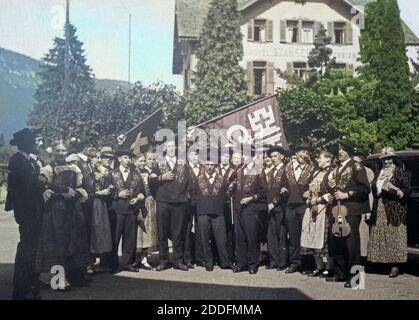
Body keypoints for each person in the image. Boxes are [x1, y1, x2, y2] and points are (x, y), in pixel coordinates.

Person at [36, 141, 90, 290]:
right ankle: (58, 280)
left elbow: (80, 187)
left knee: (74, 241)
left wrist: (75, 193)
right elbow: (43, 186)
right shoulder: (48, 168)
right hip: (56, 211)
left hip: (73, 210)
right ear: (53, 152)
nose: (61, 153)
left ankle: (74, 276)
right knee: (58, 242)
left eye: (63, 150)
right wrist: (61, 193)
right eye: (58, 150)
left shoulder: (75, 167)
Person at [324, 140, 370, 288]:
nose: (340, 152)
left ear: (349, 151)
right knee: (337, 241)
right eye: (339, 150)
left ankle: (356, 278)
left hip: (351, 209)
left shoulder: (357, 166)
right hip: (336, 210)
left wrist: (347, 195)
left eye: (343, 149)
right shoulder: (336, 168)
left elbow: (364, 189)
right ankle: (340, 273)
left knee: (351, 244)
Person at [5, 128, 44, 300]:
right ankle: (21, 289)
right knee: (26, 250)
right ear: (25, 144)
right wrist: (41, 182)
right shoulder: (17, 161)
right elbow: (26, 187)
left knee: (31, 249)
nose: (35, 144)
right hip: (27, 213)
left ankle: (28, 283)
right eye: (33, 141)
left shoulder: (28, 161)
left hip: (34, 211)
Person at [367, 147, 411, 278]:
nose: (386, 162)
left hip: (395, 208)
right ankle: (381, 262)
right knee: (381, 233)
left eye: (389, 159)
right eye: (384, 159)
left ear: (394, 159)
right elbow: (374, 190)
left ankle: (395, 265)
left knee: (395, 235)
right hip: (379, 206)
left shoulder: (400, 173)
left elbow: (407, 191)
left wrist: (391, 190)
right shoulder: (378, 172)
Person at [150, 139, 192, 271]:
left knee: (177, 233)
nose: (171, 148)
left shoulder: (183, 163)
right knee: (162, 232)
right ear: (165, 149)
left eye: (173, 146)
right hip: (163, 202)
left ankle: (178, 261)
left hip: (179, 203)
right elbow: (150, 181)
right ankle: (163, 261)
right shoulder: (159, 164)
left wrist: (186, 196)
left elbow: (189, 182)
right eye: (169, 146)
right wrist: (161, 178)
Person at [192, 159, 233, 271]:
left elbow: (226, 196)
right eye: (207, 164)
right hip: (203, 212)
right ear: (203, 165)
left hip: (218, 212)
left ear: (215, 165)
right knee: (204, 239)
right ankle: (208, 263)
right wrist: (201, 206)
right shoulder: (197, 179)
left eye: (212, 165)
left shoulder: (222, 179)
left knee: (221, 238)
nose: (209, 167)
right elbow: (194, 195)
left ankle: (224, 262)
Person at [109, 149, 145, 272]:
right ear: (119, 159)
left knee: (130, 238)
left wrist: (138, 197)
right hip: (117, 210)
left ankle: (127, 263)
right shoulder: (112, 173)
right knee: (115, 237)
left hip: (131, 210)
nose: (128, 160)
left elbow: (142, 191)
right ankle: (113, 264)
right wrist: (117, 194)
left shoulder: (136, 174)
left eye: (129, 158)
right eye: (125, 157)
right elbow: (105, 191)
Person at [232, 148, 267, 274]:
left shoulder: (259, 170)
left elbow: (264, 192)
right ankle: (241, 263)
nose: (243, 158)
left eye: (246, 156)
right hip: (238, 208)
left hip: (251, 209)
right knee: (239, 236)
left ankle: (253, 264)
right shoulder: (239, 170)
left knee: (251, 237)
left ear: (252, 157)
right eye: (243, 156)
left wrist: (251, 198)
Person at [300, 150, 334, 277]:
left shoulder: (332, 173)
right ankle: (319, 266)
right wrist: (307, 196)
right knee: (312, 235)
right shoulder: (316, 172)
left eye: (320, 157)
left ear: (328, 159)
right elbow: (308, 189)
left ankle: (329, 267)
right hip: (311, 207)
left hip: (324, 208)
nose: (318, 160)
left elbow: (332, 193)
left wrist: (319, 199)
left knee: (324, 239)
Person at [282, 145, 315, 273]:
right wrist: (283, 188)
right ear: (296, 154)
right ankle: (295, 262)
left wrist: (310, 191)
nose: (303, 155)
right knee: (293, 235)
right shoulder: (288, 167)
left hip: (304, 205)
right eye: (301, 152)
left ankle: (308, 264)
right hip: (290, 205)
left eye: (306, 153)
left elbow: (316, 184)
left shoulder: (311, 168)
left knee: (306, 234)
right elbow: (283, 183)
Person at [89, 147, 115, 273]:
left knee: (106, 232)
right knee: (95, 230)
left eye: (110, 158)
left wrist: (111, 188)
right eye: (105, 157)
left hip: (108, 205)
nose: (108, 160)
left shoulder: (112, 171)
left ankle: (105, 261)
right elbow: (89, 187)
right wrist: (101, 192)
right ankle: (91, 262)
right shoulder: (94, 171)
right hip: (96, 203)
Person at [265, 145, 288, 271]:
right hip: (269, 208)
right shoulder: (270, 171)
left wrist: (274, 203)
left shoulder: (285, 170)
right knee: (271, 235)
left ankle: (282, 262)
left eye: (275, 156)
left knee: (281, 234)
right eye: (271, 156)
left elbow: (285, 190)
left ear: (282, 157)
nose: (273, 158)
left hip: (280, 207)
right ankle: (273, 260)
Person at [134, 152, 158, 270]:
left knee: (147, 232)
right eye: (141, 161)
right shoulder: (133, 173)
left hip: (149, 203)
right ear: (135, 162)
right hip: (138, 205)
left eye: (144, 161)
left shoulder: (149, 173)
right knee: (138, 232)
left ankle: (144, 258)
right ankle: (135, 258)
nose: (143, 163)